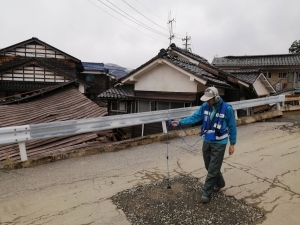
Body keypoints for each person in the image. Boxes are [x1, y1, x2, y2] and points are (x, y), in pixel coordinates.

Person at [171, 86, 237, 203]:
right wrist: (181, 122)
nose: (207, 101)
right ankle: (220, 183)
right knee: (209, 165)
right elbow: (195, 117)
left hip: (220, 142)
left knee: (212, 169)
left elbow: (232, 126)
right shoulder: (205, 106)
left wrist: (232, 143)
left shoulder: (227, 109)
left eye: (209, 99)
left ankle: (206, 193)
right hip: (207, 140)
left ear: (216, 98)